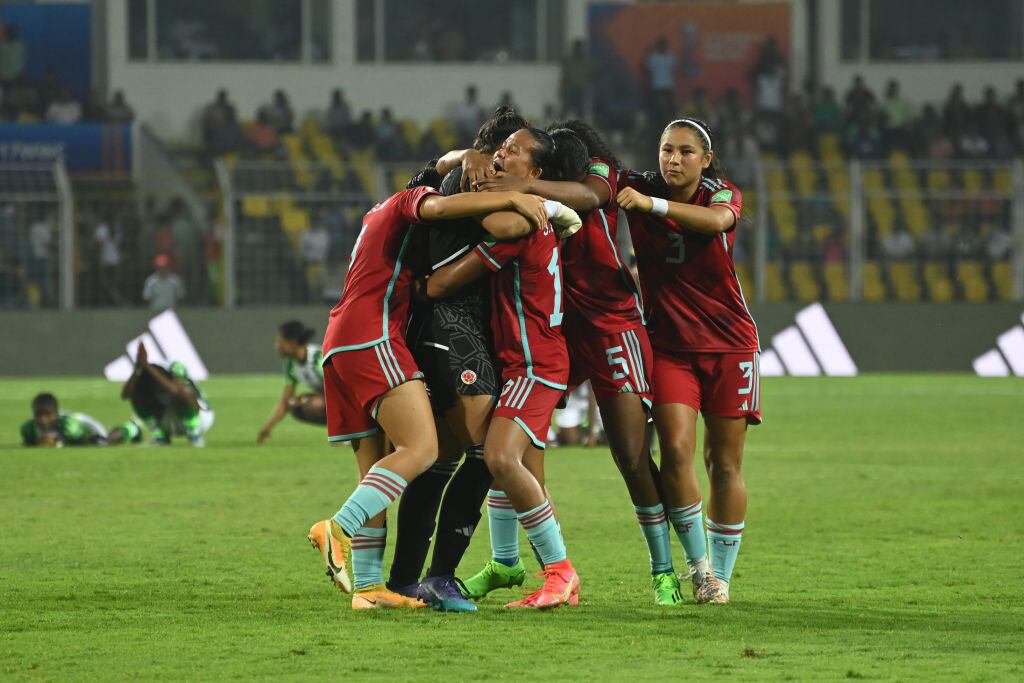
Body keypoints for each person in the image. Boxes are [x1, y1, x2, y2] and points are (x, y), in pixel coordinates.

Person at [305, 166, 574, 611]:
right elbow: (442, 206)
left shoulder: (377, 213)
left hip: (341, 340)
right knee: (424, 450)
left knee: (379, 469)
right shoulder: (411, 200)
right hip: (373, 333)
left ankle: (370, 588)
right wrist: (523, 200)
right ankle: (337, 528)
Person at [459, 119, 681, 605]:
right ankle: (519, 565)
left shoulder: (591, 177)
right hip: (557, 330)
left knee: (631, 457)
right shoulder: (541, 197)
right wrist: (473, 162)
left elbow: (593, 193)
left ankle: (667, 571)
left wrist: (518, 184)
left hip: (610, 327)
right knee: (515, 452)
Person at [423, 126, 587, 609]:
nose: (500, 157)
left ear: (535, 174)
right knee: (518, 471)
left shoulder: (520, 224)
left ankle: (561, 571)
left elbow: (453, 274)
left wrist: (521, 199)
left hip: (535, 362)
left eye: (512, 153)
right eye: (499, 148)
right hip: (524, 361)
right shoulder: (532, 212)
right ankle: (530, 569)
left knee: (497, 458)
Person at [382, 106, 536, 612]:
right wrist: (538, 201)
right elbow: (506, 224)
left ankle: (407, 580)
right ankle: (440, 574)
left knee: (442, 459)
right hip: (449, 326)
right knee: (484, 449)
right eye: (507, 152)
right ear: (491, 157)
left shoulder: (451, 174)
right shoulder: (466, 185)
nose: (506, 162)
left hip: (447, 329)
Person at [617, 117, 760, 604]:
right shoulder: (636, 186)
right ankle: (700, 571)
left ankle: (722, 575)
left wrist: (651, 205)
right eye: (665, 150)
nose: (673, 159)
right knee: (675, 451)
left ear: (706, 159)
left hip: (729, 345)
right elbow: (591, 184)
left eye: (684, 152)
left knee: (724, 462)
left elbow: (718, 223)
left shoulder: (723, 195)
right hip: (671, 348)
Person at [121, 342, 214, 446]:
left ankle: (194, 435)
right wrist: (138, 369)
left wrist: (147, 366)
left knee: (184, 393)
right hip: (169, 418)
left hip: (199, 417)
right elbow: (125, 395)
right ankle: (160, 437)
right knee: (136, 395)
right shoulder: (143, 371)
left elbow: (177, 391)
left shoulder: (174, 367)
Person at [257, 321, 327, 443]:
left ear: (292, 343)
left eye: (280, 341)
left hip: (351, 398)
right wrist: (267, 428)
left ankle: (349, 431)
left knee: (313, 404)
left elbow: (342, 389)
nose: (277, 346)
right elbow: (284, 402)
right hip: (332, 397)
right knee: (294, 404)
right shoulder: (290, 364)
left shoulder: (317, 360)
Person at [21, 393, 141, 447]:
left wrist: (58, 443)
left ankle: (132, 427)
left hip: (85, 428)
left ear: (57, 413)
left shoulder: (69, 426)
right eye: (39, 415)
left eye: (48, 415)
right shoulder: (28, 429)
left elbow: (83, 439)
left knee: (105, 441)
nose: (43, 420)